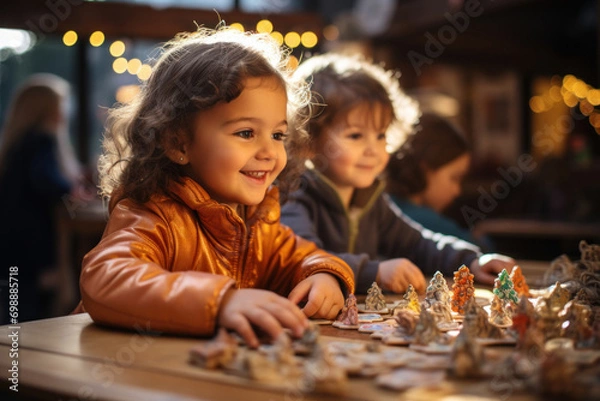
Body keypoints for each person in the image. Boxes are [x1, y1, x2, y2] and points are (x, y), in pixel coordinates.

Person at [73, 26, 354, 348]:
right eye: (246, 133)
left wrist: (324, 275)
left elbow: (303, 257)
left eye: (277, 135)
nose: (269, 152)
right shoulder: (154, 216)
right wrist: (220, 303)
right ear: (178, 142)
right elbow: (105, 280)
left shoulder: (257, 223)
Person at [280, 53, 514, 295]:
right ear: (307, 141)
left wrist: (471, 261)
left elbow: (418, 243)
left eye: (381, 135)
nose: (373, 149)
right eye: (355, 136)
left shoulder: (371, 198)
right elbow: (305, 258)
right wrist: (376, 272)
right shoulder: (296, 194)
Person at [0, 73, 91, 324]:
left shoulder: (17, 144)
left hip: (11, 244)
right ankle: (17, 362)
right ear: (47, 109)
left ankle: (12, 360)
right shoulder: (41, 140)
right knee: (26, 317)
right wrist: (70, 190)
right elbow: (46, 180)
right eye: (62, 105)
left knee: (13, 309)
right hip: (31, 245)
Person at [386, 112, 492, 250]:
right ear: (426, 170)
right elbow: (481, 249)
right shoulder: (420, 220)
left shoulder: (387, 206)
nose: (457, 191)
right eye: (455, 178)